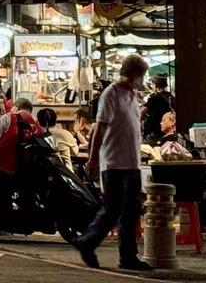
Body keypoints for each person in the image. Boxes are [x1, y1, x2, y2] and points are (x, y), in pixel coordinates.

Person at [73, 54, 152, 272]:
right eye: (140, 75)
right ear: (130, 74)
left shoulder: (133, 96)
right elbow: (99, 128)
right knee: (113, 209)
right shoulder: (111, 94)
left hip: (132, 163)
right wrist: (93, 158)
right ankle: (87, 241)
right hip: (114, 163)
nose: (142, 80)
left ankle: (128, 257)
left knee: (132, 212)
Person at [36, 107, 78, 172]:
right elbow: (75, 153)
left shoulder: (37, 135)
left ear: (38, 121)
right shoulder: (65, 133)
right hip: (66, 173)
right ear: (56, 121)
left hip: (42, 174)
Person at [141, 76, 174, 142]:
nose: (151, 86)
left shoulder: (155, 98)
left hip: (156, 131)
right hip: (169, 130)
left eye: (152, 84)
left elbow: (142, 111)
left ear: (155, 85)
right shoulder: (170, 96)